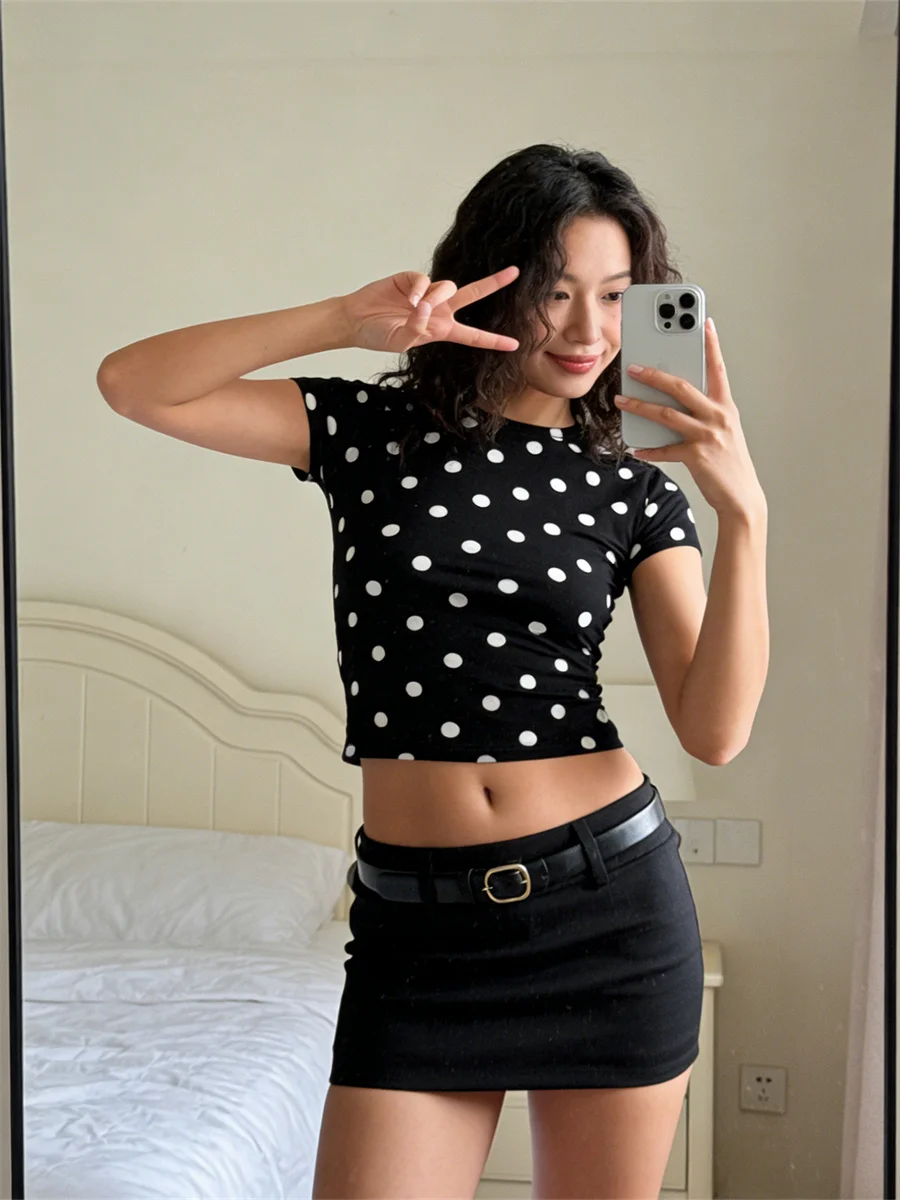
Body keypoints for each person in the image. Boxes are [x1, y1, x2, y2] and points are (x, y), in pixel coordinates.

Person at [97, 142, 768, 1200]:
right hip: (416, 931)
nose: (588, 332)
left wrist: (745, 516)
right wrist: (342, 319)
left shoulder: (634, 487)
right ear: (491, 282)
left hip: (609, 911)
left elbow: (715, 731)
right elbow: (134, 385)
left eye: (614, 296)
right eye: (555, 293)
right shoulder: (371, 431)